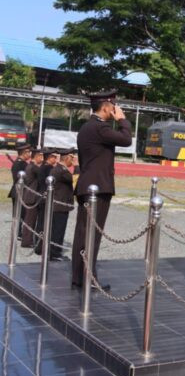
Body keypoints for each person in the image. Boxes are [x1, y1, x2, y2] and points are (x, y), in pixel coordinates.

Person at [72, 90, 132, 292]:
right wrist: (122, 120)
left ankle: (79, 277)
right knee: (92, 235)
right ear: (106, 107)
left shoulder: (87, 127)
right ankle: (88, 278)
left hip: (87, 185)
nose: (115, 109)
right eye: (113, 106)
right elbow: (126, 139)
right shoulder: (100, 127)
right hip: (97, 188)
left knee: (83, 233)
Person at [49, 148, 76, 261]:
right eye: (72, 158)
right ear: (67, 158)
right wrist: (77, 166)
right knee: (58, 230)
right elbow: (75, 180)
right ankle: (55, 253)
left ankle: (54, 251)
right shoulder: (62, 171)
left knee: (57, 229)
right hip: (60, 205)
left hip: (58, 204)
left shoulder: (58, 169)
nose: (73, 161)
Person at [34, 149, 59, 255]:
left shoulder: (43, 167)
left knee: (41, 222)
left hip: (41, 196)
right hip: (46, 198)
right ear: (49, 158)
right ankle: (41, 246)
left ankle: (38, 245)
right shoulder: (48, 168)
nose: (56, 159)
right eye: (54, 157)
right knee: (44, 223)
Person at [20, 149, 43, 248]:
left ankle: (27, 240)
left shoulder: (31, 166)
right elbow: (42, 174)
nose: (42, 158)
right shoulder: (33, 167)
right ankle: (26, 241)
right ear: (36, 156)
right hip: (31, 197)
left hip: (30, 196)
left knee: (30, 220)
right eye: (40, 156)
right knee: (30, 220)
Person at [8, 143, 31, 240]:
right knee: (19, 213)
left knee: (21, 213)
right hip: (19, 191)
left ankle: (18, 231)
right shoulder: (20, 164)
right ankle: (17, 232)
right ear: (24, 153)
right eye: (28, 152)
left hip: (20, 191)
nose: (30, 154)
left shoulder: (21, 163)